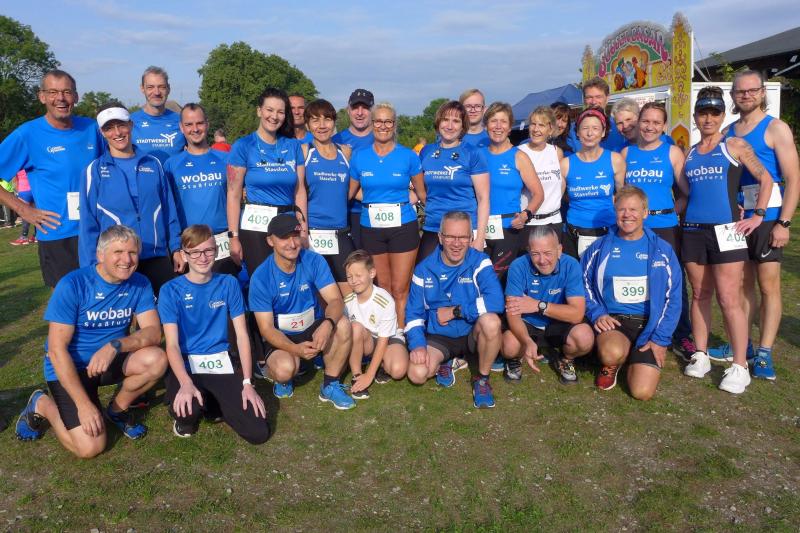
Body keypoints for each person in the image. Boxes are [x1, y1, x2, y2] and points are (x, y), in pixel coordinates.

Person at [14, 225, 167, 457]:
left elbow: (154, 332)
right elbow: (56, 350)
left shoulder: (140, 283)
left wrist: (115, 345)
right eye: (118, 252)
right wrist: (83, 405)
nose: (127, 260)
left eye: (132, 252)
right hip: (71, 368)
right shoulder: (73, 284)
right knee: (90, 447)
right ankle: (42, 404)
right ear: (100, 255)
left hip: (107, 361)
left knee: (157, 359)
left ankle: (117, 410)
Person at [681, 87, 774, 394]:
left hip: (727, 230)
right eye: (702, 113)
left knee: (729, 298)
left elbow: (766, 179)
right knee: (699, 293)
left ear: (723, 115)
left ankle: (740, 365)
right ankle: (701, 354)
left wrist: (758, 215)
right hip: (693, 229)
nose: (708, 119)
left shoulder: (733, 144)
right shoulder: (690, 153)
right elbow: (687, 192)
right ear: (695, 116)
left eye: (714, 113)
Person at [707, 70, 799, 380]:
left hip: (768, 216)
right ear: (733, 96)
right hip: (737, 219)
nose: (746, 95)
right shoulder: (729, 131)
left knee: (768, 286)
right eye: (740, 91)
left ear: (762, 93)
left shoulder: (775, 128)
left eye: (752, 90)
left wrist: (784, 222)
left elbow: (793, 178)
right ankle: (742, 345)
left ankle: (764, 352)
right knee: (740, 285)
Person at [158, 224, 270, 443]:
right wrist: (185, 383)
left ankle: (214, 402)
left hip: (220, 362)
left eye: (208, 250)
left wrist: (247, 383)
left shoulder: (228, 283)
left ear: (217, 251)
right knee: (188, 413)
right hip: (187, 364)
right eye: (195, 252)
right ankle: (193, 407)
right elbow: (171, 345)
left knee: (258, 433)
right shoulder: (170, 290)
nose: (202, 257)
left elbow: (242, 336)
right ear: (184, 255)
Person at [0, 69, 103, 287]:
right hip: (58, 235)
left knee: (103, 298)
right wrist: (23, 210)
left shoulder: (92, 128)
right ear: (42, 96)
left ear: (76, 96)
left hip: (97, 231)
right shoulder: (27, 134)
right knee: (68, 302)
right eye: (53, 92)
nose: (61, 98)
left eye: (67, 92)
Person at [582, 187, 682, 399]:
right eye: (621, 210)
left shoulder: (662, 250)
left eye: (634, 209)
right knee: (611, 353)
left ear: (645, 212)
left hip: (649, 326)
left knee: (642, 392)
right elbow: (582, 284)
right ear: (615, 212)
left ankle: (632, 357)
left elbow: (673, 298)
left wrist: (660, 339)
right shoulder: (599, 248)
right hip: (615, 323)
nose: (627, 215)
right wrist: (597, 313)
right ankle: (614, 361)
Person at [248, 214, 354, 409]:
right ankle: (279, 373)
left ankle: (330, 385)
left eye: (295, 236)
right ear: (270, 241)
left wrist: (328, 324)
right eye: (284, 238)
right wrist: (294, 349)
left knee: (343, 324)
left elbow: (336, 300)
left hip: (311, 326)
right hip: (281, 335)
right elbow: (266, 328)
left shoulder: (314, 260)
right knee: (285, 370)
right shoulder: (261, 277)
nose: (292, 243)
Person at [80, 102, 184, 295]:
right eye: (109, 128)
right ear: (102, 132)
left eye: (121, 125)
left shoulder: (153, 164)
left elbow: (169, 210)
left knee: (166, 312)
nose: (117, 132)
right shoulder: (94, 171)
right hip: (118, 261)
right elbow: (88, 224)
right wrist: (90, 268)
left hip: (156, 256)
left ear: (131, 125)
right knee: (123, 314)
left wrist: (176, 248)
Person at [405, 211, 504, 408]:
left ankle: (482, 380)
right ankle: (449, 360)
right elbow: (414, 314)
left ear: (471, 238)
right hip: (440, 337)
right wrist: (417, 344)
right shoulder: (423, 269)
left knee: (492, 322)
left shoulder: (480, 261)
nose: (456, 243)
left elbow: (496, 301)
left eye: (463, 237)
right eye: (450, 236)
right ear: (440, 237)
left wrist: (455, 311)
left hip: (472, 332)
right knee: (417, 374)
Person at [621, 102, 694, 359]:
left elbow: (686, 192)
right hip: (633, 228)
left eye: (656, 122)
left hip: (664, 226)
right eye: (646, 121)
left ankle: (682, 335)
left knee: (673, 282)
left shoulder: (672, 152)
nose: (650, 127)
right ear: (638, 123)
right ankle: (637, 329)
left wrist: (673, 210)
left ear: (664, 126)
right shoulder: (626, 153)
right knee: (635, 278)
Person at [349, 102, 422, 329]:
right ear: (372, 124)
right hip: (371, 228)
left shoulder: (408, 156)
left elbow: (422, 193)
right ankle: (384, 333)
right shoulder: (360, 157)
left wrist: (401, 202)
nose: (383, 126)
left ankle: (399, 334)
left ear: (394, 124)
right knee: (383, 287)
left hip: (403, 227)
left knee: (400, 288)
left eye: (388, 121)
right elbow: (350, 192)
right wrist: (372, 200)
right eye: (378, 121)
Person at [227, 87, 307, 273]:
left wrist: (303, 231)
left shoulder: (293, 146)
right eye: (269, 110)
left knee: (290, 279)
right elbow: (233, 194)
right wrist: (233, 237)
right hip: (256, 227)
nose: (274, 116)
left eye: (280, 112)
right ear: (259, 111)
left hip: (287, 225)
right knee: (262, 280)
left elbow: (300, 191)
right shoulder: (243, 146)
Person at [502, 225, 594, 384]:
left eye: (548, 253)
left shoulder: (571, 265)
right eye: (535, 254)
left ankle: (566, 358)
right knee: (509, 346)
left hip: (558, 323)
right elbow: (512, 313)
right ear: (528, 251)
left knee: (584, 337)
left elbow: (577, 314)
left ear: (559, 250)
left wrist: (538, 305)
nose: (542, 260)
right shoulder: (518, 266)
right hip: (528, 323)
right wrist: (526, 340)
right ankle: (517, 357)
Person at [164, 103, 238, 276]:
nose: (195, 129)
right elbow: (169, 211)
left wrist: (235, 237)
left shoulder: (227, 159)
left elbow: (237, 199)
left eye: (199, 123)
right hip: (189, 245)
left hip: (222, 243)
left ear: (207, 124)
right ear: (181, 127)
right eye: (189, 124)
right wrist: (175, 248)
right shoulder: (171, 165)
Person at [416, 100, 489, 261]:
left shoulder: (472, 153)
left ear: (463, 126)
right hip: (433, 227)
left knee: (463, 276)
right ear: (438, 122)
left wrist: (480, 238)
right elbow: (419, 190)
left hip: (463, 231)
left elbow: (483, 198)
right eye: (445, 120)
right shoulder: (426, 152)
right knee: (425, 273)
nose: (449, 126)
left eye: (456, 121)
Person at [483, 102, 544, 283]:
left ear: (510, 127)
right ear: (486, 125)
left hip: (508, 228)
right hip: (480, 228)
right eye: (493, 121)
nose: (498, 126)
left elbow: (538, 194)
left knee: (497, 281)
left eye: (503, 122)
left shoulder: (519, 156)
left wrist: (525, 215)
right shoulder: (477, 155)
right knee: (481, 280)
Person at [301, 98, 355, 295]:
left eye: (327, 119)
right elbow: (296, 193)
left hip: (340, 233)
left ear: (334, 122)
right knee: (317, 295)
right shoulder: (304, 152)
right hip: (313, 234)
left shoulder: (345, 152)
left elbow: (355, 189)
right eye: (315, 120)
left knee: (350, 294)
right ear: (307, 125)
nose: (322, 125)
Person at [560, 106, 626, 260]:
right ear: (577, 132)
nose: (590, 133)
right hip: (574, 232)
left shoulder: (615, 160)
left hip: (607, 230)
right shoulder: (565, 164)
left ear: (603, 132)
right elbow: (558, 198)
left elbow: (622, 196)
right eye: (585, 128)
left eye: (595, 128)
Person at [344, 250, 409, 399]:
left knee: (398, 370)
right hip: (368, 340)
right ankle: (356, 375)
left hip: (388, 339)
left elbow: (383, 341)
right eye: (349, 276)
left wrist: (370, 375)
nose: (353, 280)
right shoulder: (347, 302)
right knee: (355, 327)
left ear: (372, 273)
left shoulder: (384, 300)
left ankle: (381, 364)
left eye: (358, 275)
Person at [333, 88, 375, 250]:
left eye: (365, 108)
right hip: (346, 213)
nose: (360, 113)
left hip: (375, 213)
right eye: (355, 107)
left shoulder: (382, 138)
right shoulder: (336, 140)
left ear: (372, 111)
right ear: (348, 110)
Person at [518, 106, 565, 248]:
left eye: (541, 125)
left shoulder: (557, 152)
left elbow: (561, 184)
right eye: (533, 124)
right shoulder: (519, 152)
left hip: (553, 221)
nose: (536, 129)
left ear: (550, 129)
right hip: (529, 222)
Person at [130, 66, 185, 164]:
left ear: (168, 88)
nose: (156, 92)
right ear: (142, 88)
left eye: (161, 87)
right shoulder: (130, 122)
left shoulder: (182, 121)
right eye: (150, 87)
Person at [580, 76, 626, 152]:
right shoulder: (573, 131)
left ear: (607, 98)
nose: (594, 102)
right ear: (584, 100)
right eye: (589, 97)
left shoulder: (620, 126)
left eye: (598, 97)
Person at [9, 171, 37, 245]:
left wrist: (17, 191)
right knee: (36, 213)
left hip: (24, 191)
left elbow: (14, 180)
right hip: (34, 190)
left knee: (25, 215)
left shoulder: (18, 166)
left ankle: (24, 237)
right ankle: (37, 236)